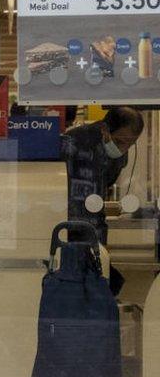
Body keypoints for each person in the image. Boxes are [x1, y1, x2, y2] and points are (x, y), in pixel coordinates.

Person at [61, 106, 144, 295]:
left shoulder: (120, 153)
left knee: (96, 290)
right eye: (121, 141)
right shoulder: (72, 142)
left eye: (131, 144)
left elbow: (108, 182)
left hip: (95, 233)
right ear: (105, 129)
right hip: (68, 231)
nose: (124, 148)